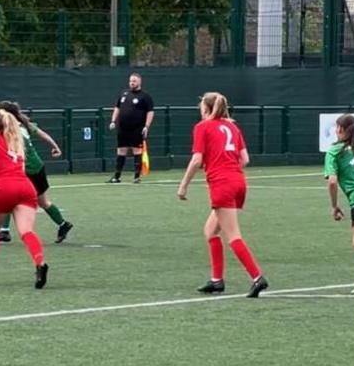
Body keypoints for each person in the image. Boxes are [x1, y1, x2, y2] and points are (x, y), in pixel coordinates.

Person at [176, 92, 268, 298]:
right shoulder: (233, 126)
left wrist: (183, 185)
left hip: (222, 184)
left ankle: (257, 277)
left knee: (233, 235)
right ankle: (217, 280)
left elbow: (197, 160)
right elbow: (245, 159)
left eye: (201, 105)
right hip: (238, 182)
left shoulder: (202, 127)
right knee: (210, 231)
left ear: (206, 108)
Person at [0, 108, 49, 289]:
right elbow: (16, 166)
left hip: (4, 188)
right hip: (25, 187)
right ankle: (40, 263)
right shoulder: (14, 141)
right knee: (26, 231)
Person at [0, 100, 74, 244]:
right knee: (43, 202)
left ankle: (4, 232)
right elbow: (42, 134)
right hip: (37, 167)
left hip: (27, 169)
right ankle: (63, 224)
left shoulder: (11, 130)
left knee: (9, 197)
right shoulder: (22, 123)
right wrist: (55, 146)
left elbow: (18, 153)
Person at [323, 114, 354, 294]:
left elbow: (332, 181)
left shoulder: (334, 151)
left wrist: (334, 206)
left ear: (340, 129)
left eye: (337, 127)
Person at [109, 73, 155, 183]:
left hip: (137, 128)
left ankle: (137, 177)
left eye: (134, 81)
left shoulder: (145, 96)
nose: (132, 83)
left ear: (139, 82)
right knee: (121, 150)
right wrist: (113, 121)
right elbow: (117, 108)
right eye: (130, 81)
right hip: (123, 128)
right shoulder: (124, 94)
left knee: (137, 150)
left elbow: (150, 112)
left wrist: (146, 126)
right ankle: (117, 176)